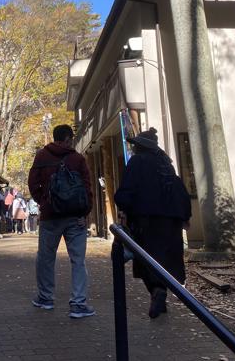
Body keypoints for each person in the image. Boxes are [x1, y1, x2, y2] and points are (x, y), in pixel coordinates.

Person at [114, 127, 192, 319]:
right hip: (170, 219)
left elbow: (128, 188)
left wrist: (123, 204)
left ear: (140, 147)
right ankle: (161, 292)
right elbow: (178, 188)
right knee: (166, 258)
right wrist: (184, 215)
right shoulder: (165, 163)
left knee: (147, 257)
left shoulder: (137, 162)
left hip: (145, 218)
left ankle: (157, 291)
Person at [28, 124, 95, 319]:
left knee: (46, 257)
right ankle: (78, 303)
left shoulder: (42, 156)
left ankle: (46, 298)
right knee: (78, 261)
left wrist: (44, 202)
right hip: (75, 218)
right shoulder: (78, 159)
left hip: (51, 217)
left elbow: (33, 183)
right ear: (68, 138)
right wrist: (85, 213)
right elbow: (87, 188)